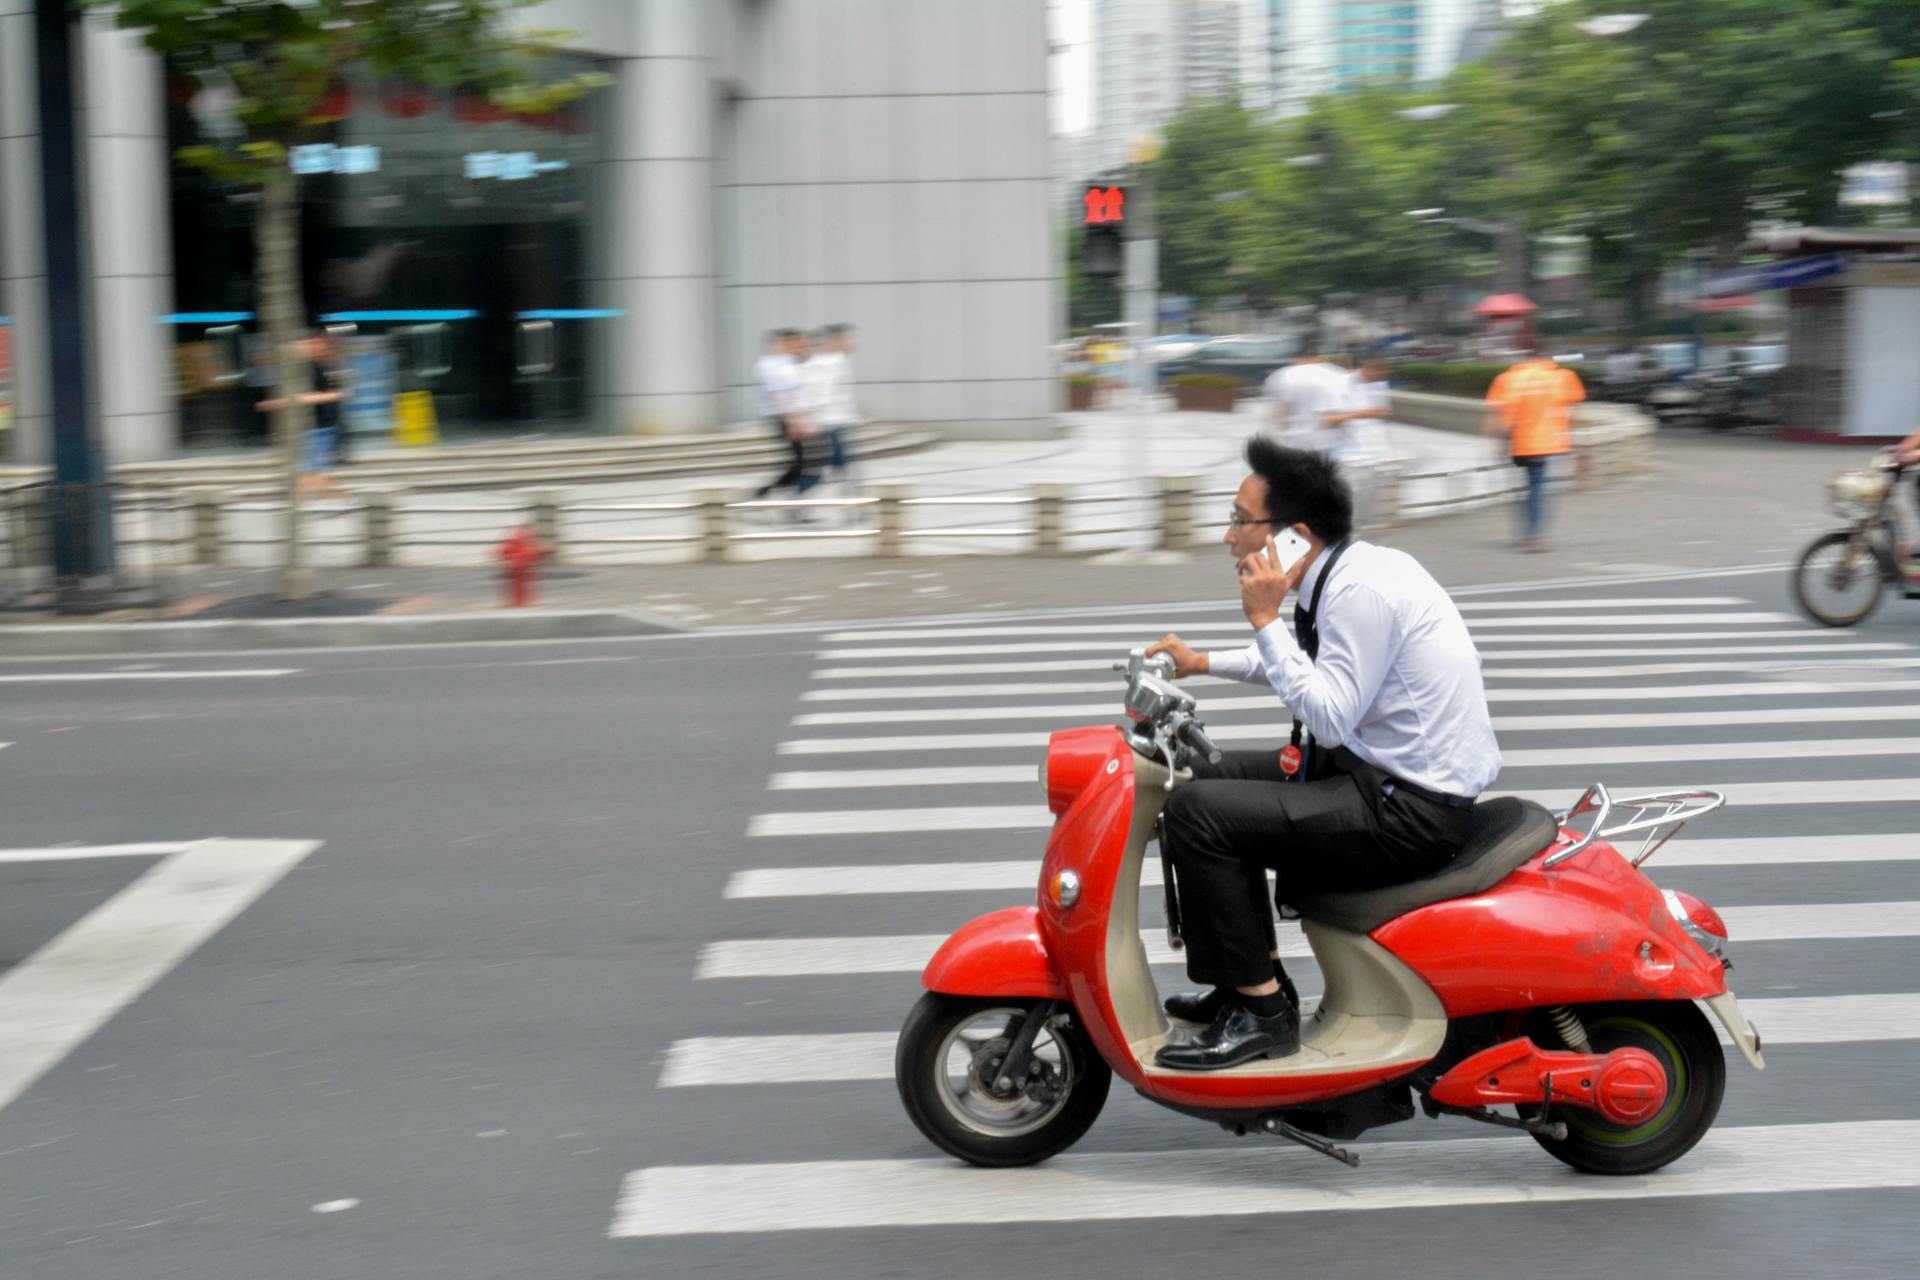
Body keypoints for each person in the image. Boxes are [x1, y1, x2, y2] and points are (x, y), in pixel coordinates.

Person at [1142, 440, 1502, 1070]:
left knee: (1201, 812)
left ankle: (1262, 1015)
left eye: (1238, 520)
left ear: (1292, 537)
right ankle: (1256, 980)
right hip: (1375, 776)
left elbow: (1330, 717)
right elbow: (1304, 667)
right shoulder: (1343, 573)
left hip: (1409, 808)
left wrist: (1263, 619)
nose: (1228, 538)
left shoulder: (1359, 592)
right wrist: (1204, 662)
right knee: (1199, 775)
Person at [1484, 346, 1585, 552]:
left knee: (1529, 488)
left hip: (1519, 443)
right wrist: (1580, 446)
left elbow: (1497, 416)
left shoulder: (1507, 379)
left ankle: (1527, 534)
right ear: (1545, 358)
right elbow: (1575, 413)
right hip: (1550, 443)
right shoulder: (1562, 376)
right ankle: (1534, 536)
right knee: (1539, 488)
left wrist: (1497, 445)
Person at [256, 331, 348, 499]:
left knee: (310, 468)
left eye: (304, 344)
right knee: (313, 467)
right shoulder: (302, 369)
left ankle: (315, 500)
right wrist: (275, 403)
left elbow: (336, 393)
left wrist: (304, 399)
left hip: (321, 425)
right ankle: (331, 498)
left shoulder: (319, 367)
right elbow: (295, 397)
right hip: (310, 426)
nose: (300, 348)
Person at [752, 329, 820, 514]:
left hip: (793, 419)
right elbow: (778, 398)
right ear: (780, 345)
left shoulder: (788, 364)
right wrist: (792, 424)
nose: (800, 348)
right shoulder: (771, 366)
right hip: (783, 419)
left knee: (802, 464)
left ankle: (780, 498)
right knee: (799, 464)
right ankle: (766, 495)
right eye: (795, 344)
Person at [802, 323, 859, 495]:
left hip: (835, 423)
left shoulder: (838, 361)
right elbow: (821, 396)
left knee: (838, 467)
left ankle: (849, 501)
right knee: (833, 467)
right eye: (846, 339)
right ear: (835, 341)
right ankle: (796, 498)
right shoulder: (827, 363)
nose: (850, 343)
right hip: (828, 424)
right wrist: (816, 422)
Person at [1263, 352, 1352, 455]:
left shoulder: (1282, 375)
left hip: (1296, 443)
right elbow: (1345, 411)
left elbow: (1278, 415)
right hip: (1332, 443)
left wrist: (1275, 441)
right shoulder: (1339, 374)